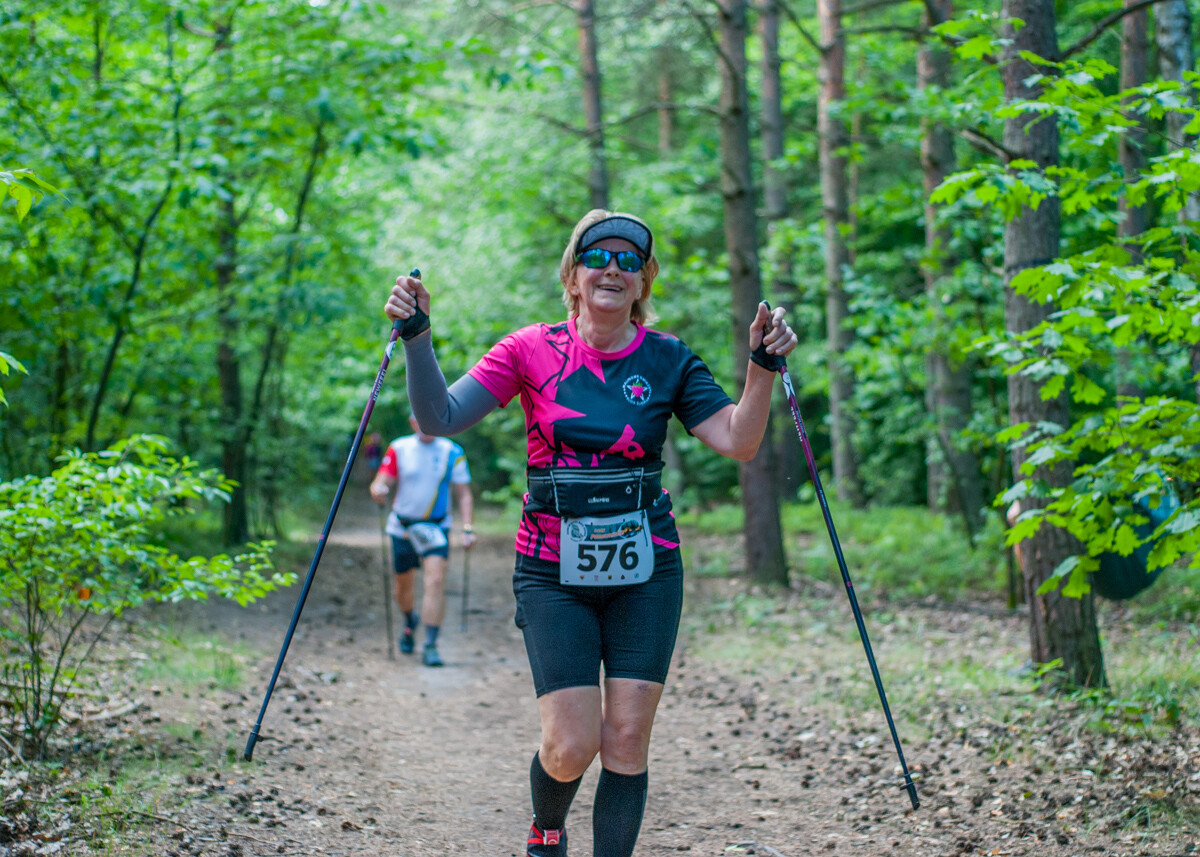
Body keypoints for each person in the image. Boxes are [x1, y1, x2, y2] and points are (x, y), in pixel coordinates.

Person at [384, 209, 797, 857]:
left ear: (642, 282)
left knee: (627, 739)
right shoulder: (528, 348)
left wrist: (762, 368)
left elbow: (738, 440)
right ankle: (547, 826)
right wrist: (416, 335)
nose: (612, 268)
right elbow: (437, 416)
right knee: (572, 745)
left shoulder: (668, 359)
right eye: (597, 257)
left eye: (629, 261)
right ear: (573, 277)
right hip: (551, 570)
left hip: (648, 570)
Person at [369, 414, 475, 667]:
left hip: (436, 527)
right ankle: (409, 621)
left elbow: (464, 494)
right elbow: (381, 481)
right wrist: (378, 491)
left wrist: (468, 528)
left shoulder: (452, 451)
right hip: (402, 527)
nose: (426, 425)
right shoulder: (399, 448)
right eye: (421, 420)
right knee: (403, 588)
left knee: (435, 581)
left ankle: (430, 644)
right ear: (412, 422)